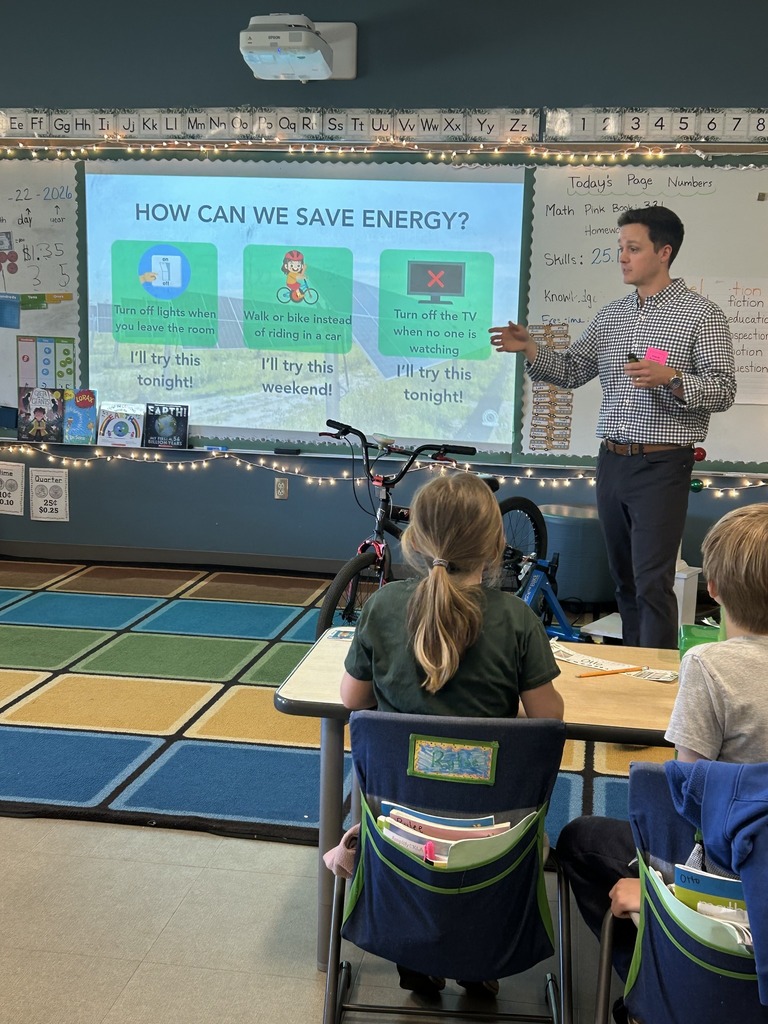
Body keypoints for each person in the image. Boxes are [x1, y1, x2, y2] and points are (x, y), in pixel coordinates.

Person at [340, 471, 564, 997]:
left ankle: (413, 948)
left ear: (414, 539)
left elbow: (353, 702)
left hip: (396, 823)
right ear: (496, 543)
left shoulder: (384, 606)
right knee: (473, 828)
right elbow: (549, 718)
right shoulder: (515, 619)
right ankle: (476, 956)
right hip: (495, 830)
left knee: (396, 798)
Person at [555, 503, 768, 1023]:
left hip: (718, 880)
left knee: (579, 841)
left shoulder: (707, 665)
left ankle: (653, 976)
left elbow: (687, 799)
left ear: (711, 589)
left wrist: (660, 891)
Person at [489, 206, 736, 650]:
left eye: (633, 248)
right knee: (622, 583)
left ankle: (655, 686)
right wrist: (530, 349)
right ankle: (631, 676)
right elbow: (570, 369)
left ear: (664, 252)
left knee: (651, 585)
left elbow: (723, 389)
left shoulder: (702, 315)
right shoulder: (612, 315)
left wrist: (673, 379)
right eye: (620, 248)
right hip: (611, 462)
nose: (622, 257)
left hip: (662, 464)